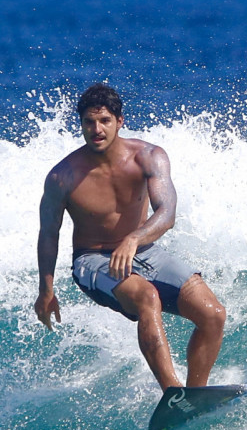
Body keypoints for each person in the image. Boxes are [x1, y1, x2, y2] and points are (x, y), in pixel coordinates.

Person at [34, 83, 226, 390]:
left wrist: (134, 239)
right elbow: (48, 234)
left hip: (145, 251)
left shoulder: (148, 157)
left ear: (120, 121)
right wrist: (46, 290)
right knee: (147, 297)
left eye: (105, 120)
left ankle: (195, 396)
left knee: (213, 314)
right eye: (89, 122)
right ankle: (173, 393)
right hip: (92, 259)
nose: (97, 129)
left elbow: (167, 213)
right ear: (81, 124)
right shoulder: (63, 176)